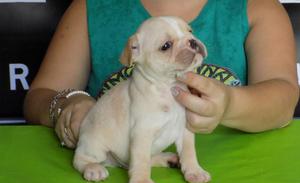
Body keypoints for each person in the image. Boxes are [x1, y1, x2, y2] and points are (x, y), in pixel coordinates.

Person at [23, 0, 299, 149]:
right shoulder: (89, 8)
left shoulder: (258, 7)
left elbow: (284, 98)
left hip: (235, 175)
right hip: (112, 175)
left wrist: (229, 104)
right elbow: (39, 96)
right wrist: (68, 105)